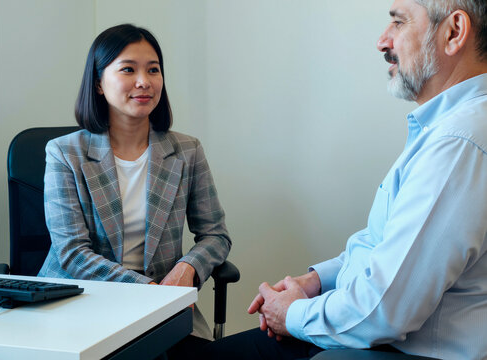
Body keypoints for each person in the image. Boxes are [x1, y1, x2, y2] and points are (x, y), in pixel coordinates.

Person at [200, 0, 487, 359]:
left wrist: (289, 314)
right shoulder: (448, 132)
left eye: (398, 23)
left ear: (454, 32)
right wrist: (317, 281)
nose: (382, 41)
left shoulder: (459, 144)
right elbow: (380, 243)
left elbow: (384, 311)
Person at [38, 24, 231, 354]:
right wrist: (150, 291)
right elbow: (71, 251)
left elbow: (216, 235)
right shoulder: (65, 153)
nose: (144, 81)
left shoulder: (187, 151)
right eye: (128, 69)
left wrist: (188, 270)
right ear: (98, 83)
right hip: (81, 301)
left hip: (164, 304)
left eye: (153, 70)